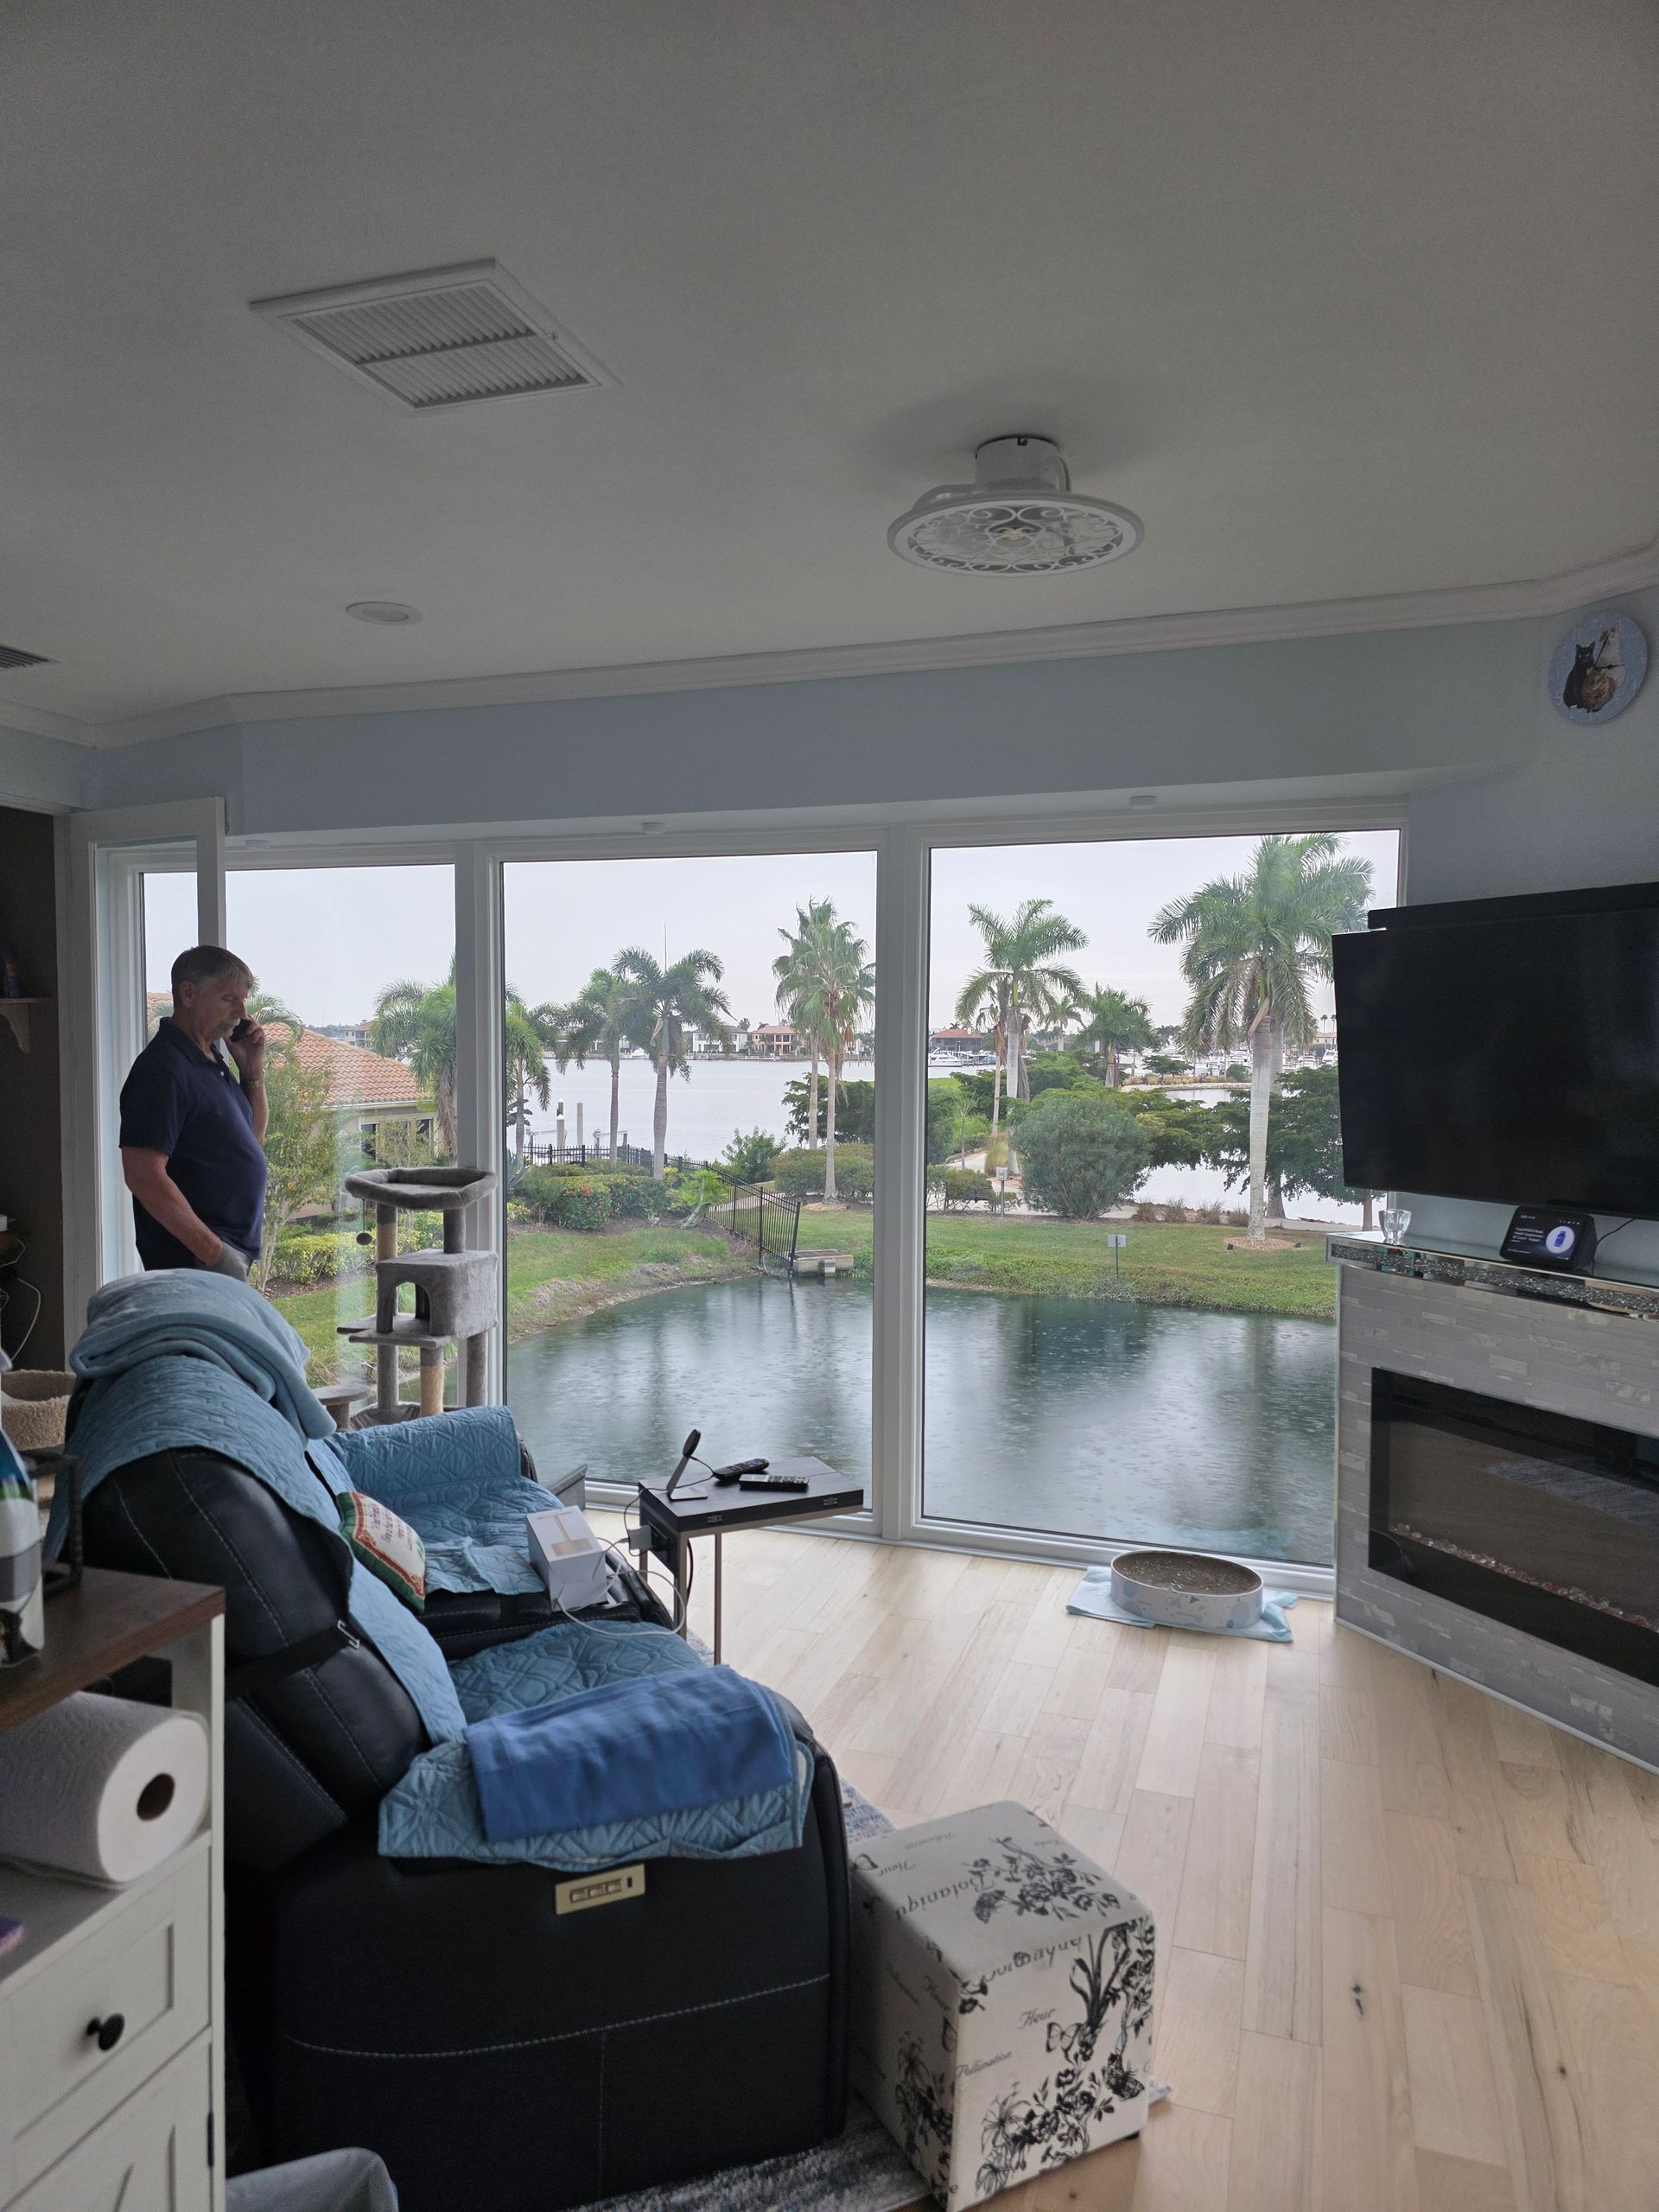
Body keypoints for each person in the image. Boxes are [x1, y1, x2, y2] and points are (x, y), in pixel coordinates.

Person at [119, 944, 269, 1276]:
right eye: (229, 999)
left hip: (221, 1259)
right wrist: (214, 1252)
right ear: (188, 994)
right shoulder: (163, 1069)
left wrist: (251, 1072)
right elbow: (143, 1175)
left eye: (244, 1000)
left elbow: (252, 1141)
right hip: (194, 1264)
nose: (242, 1013)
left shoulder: (210, 1061)